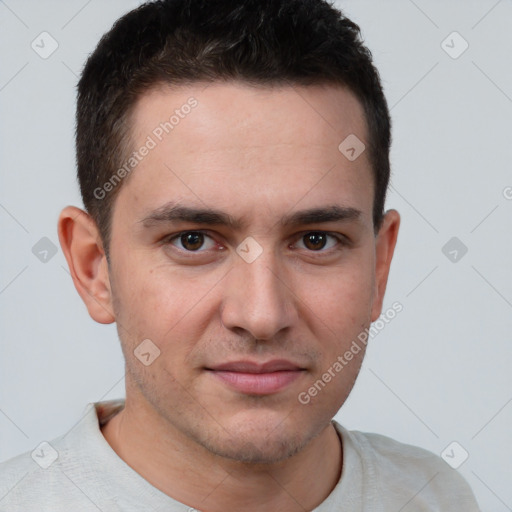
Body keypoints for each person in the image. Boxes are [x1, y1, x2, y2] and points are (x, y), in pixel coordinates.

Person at [0, 0, 481, 510]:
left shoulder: (439, 496)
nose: (261, 315)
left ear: (379, 267)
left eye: (316, 240)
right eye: (193, 240)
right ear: (94, 268)